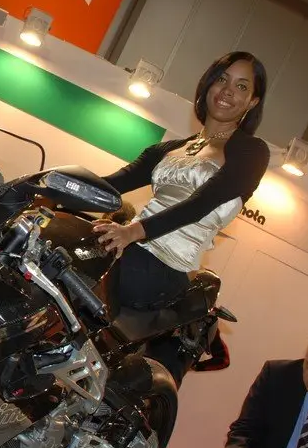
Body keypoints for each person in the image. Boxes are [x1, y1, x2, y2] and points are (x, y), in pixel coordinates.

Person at [94, 51, 272, 312]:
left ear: (252, 101)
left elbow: (201, 203)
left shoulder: (252, 152)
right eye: (222, 79)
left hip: (165, 267)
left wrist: (131, 232)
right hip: (131, 247)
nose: (228, 90)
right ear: (209, 83)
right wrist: (49, 184)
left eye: (241, 86)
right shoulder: (168, 149)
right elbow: (110, 184)